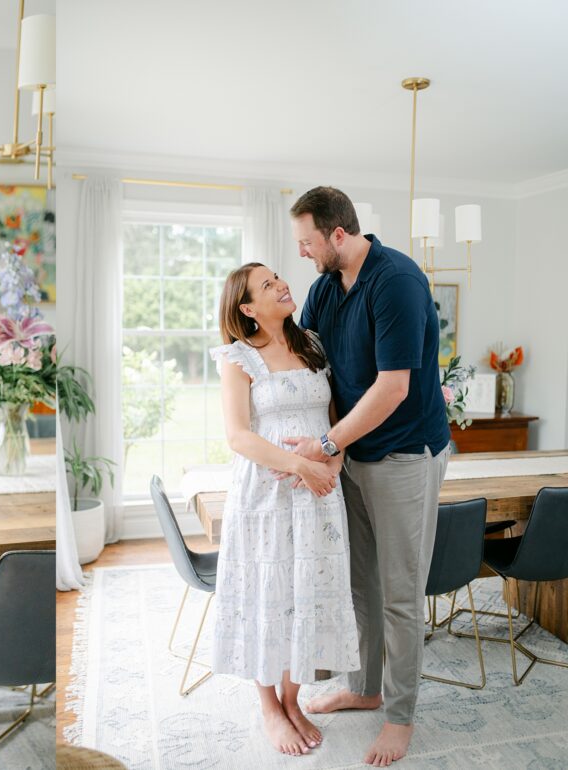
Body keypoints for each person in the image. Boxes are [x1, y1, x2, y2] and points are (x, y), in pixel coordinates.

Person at [289, 186, 451, 767]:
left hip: (406, 453)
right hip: (354, 455)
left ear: (337, 235)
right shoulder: (324, 289)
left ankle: (401, 717)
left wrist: (330, 443)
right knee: (362, 585)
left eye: (308, 242)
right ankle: (365, 686)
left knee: (401, 596)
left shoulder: (397, 281)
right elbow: (313, 366)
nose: (303, 253)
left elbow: (393, 387)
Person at [210, 262, 359, 757]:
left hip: (318, 494)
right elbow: (238, 436)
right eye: (267, 284)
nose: (282, 284)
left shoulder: (313, 345)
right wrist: (301, 464)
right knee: (267, 597)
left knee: (307, 595)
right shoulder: (239, 358)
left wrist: (330, 463)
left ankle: (293, 700)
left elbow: (333, 418)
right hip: (266, 497)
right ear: (248, 308)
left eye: (279, 277)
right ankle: (269, 706)